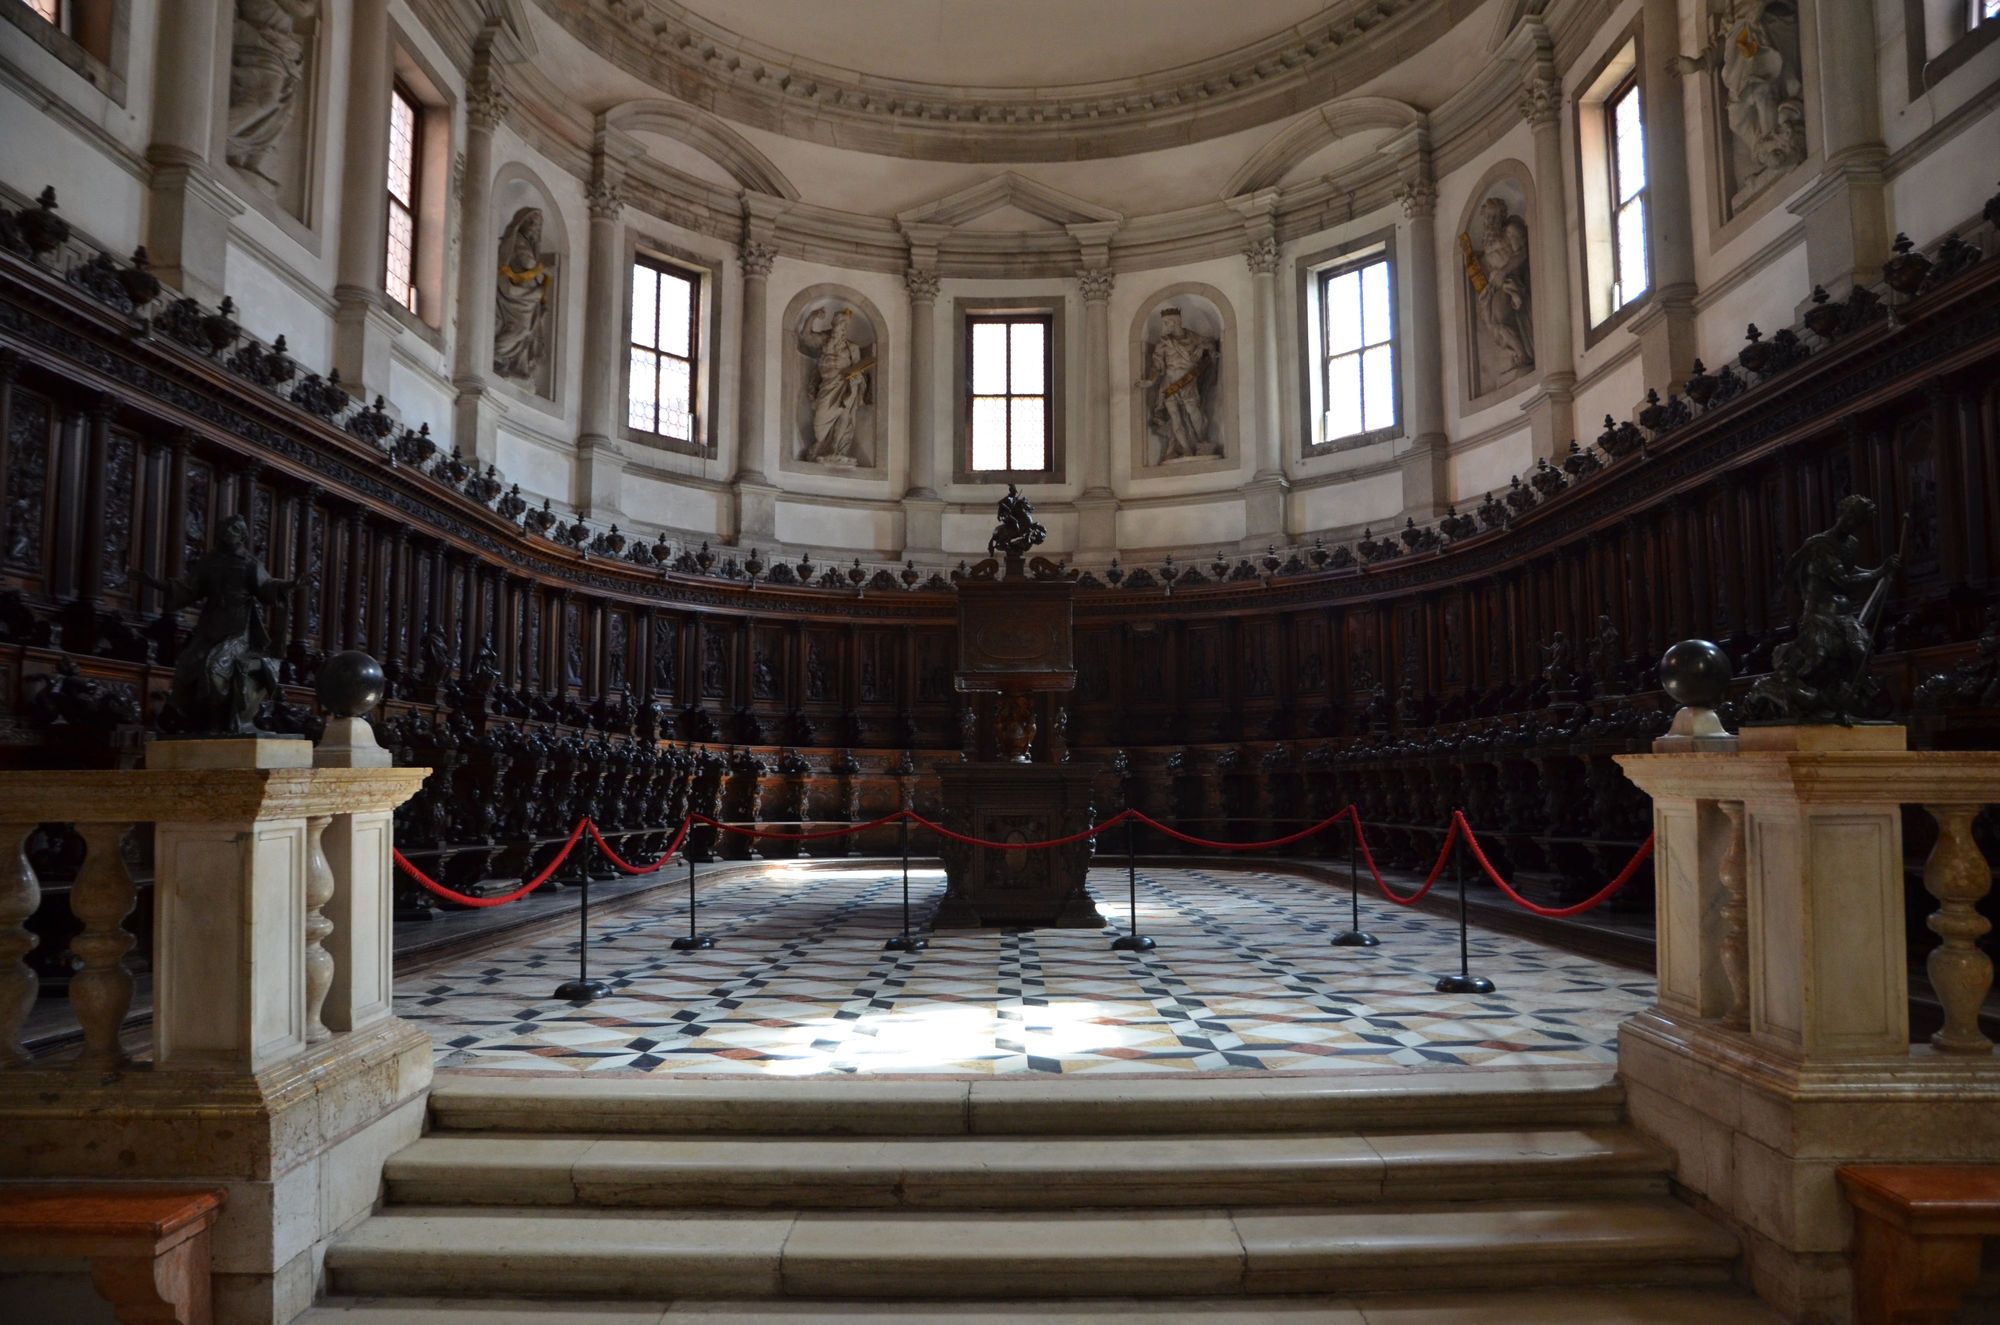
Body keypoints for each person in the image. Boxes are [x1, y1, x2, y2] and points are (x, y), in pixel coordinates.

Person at [150, 516, 302, 736]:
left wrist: (289, 585)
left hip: (237, 627)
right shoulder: (210, 561)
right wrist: (155, 584)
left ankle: (216, 722)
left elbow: (267, 586)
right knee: (186, 663)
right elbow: (189, 588)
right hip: (210, 624)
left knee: (214, 668)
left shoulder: (249, 563)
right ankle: (186, 716)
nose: (228, 532)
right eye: (225, 528)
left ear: (242, 535)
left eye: (234, 529)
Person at [1137, 307, 1220, 460]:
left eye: (1166, 323)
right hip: (1169, 383)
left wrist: (1202, 347)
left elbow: (1210, 344)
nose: (1164, 326)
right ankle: (1186, 448)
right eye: (1164, 323)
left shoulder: (1193, 338)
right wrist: (1150, 381)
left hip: (1188, 381)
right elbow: (1157, 366)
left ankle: (1202, 441)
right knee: (1175, 418)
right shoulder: (1162, 344)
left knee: (1193, 410)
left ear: (1176, 322)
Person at [799, 308, 872, 465]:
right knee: (819, 425)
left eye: (843, 326)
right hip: (827, 385)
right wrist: (812, 317)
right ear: (833, 325)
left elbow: (858, 369)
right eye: (838, 324)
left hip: (845, 385)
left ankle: (836, 449)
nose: (840, 329)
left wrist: (856, 379)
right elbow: (806, 337)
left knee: (844, 414)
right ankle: (821, 444)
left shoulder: (852, 348)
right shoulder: (825, 340)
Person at [493, 209, 552, 383]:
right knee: (521, 328)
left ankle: (515, 361)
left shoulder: (527, 243)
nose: (533, 228)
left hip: (528, 296)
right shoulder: (518, 240)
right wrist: (544, 271)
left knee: (526, 330)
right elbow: (528, 263)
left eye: (537, 225)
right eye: (531, 223)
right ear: (523, 222)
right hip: (518, 296)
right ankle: (498, 352)